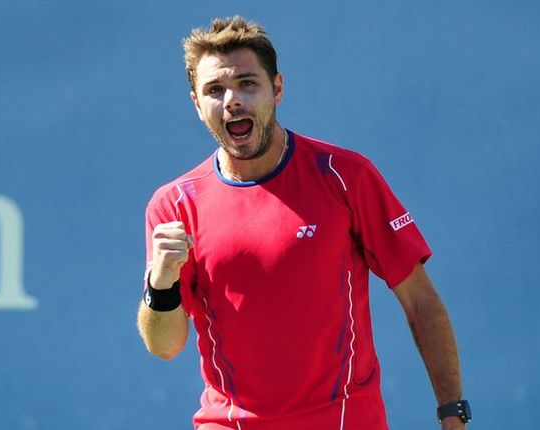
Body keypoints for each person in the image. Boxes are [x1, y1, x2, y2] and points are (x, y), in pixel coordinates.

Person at [137, 16, 470, 430]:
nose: (232, 101)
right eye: (215, 90)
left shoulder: (345, 176)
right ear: (196, 104)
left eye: (247, 84)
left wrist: (453, 412)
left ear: (277, 88)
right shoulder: (174, 205)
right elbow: (165, 345)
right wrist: (161, 282)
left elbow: (420, 300)